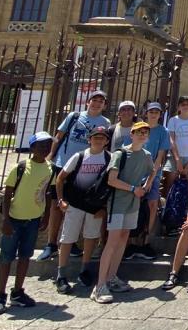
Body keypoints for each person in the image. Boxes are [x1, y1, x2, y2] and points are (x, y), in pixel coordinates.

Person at [38, 90, 110, 261]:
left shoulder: (105, 122)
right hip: (63, 163)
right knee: (57, 205)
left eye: (100, 101)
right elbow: (59, 136)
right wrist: (51, 155)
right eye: (94, 100)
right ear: (88, 102)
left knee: (77, 206)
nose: (97, 103)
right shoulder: (74, 116)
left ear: (104, 105)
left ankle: (71, 243)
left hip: (84, 168)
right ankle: (51, 244)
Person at [92, 122, 155, 304]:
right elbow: (111, 180)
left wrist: (146, 186)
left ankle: (111, 276)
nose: (142, 135)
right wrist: (134, 188)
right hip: (117, 203)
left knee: (123, 239)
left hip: (133, 203)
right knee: (112, 241)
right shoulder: (120, 154)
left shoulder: (146, 155)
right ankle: (100, 284)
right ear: (132, 134)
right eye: (139, 132)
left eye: (145, 132)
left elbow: (152, 171)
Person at [0, 132, 53, 315]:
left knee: (25, 256)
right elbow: (7, 195)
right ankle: (0, 295)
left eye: (47, 146)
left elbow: (47, 193)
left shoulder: (50, 169)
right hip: (14, 219)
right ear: (32, 147)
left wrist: (46, 216)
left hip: (34, 219)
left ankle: (18, 292)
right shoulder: (20, 167)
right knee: (6, 257)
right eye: (41, 146)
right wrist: (5, 219)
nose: (44, 149)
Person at [53, 126, 110, 294]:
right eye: (95, 137)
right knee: (68, 238)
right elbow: (60, 178)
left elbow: (110, 184)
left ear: (107, 141)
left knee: (91, 237)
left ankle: (84, 269)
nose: (98, 140)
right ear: (89, 139)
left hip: (95, 205)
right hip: (75, 202)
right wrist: (61, 200)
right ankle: (61, 274)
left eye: (102, 137)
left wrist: (104, 207)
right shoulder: (79, 156)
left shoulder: (109, 158)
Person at [128, 102, 170, 260]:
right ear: (146, 113)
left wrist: (151, 179)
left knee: (152, 205)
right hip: (136, 173)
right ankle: (132, 242)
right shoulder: (138, 128)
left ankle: (146, 241)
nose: (153, 114)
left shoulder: (163, 131)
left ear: (160, 114)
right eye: (151, 111)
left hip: (153, 173)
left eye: (156, 112)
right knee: (134, 205)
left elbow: (160, 156)